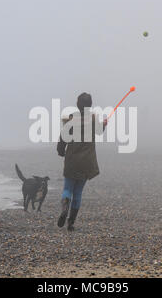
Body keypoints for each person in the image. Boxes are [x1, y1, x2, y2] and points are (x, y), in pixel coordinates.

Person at [56, 92, 106, 231]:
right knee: (77, 193)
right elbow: (100, 131)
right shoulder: (94, 120)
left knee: (67, 189)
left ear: (78, 105)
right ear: (90, 105)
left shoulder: (71, 120)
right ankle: (71, 222)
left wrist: (60, 151)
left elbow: (63, 139)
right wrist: (104, 124)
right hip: (87, 162)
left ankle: (65, 206)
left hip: (72, 160)